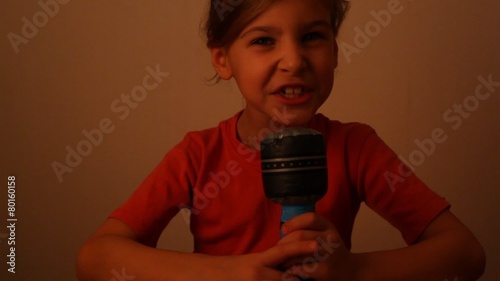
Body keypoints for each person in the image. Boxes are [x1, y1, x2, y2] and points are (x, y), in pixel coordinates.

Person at [76, 0, 486, 280]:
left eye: (312, 36)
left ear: (336, 50)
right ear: (222, 59)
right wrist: (231, 273)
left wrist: (354, 272)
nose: (293, 61)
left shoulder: (356, 147)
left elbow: (466, 255)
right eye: (263, 40)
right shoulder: (198, 156)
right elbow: (95, 259)